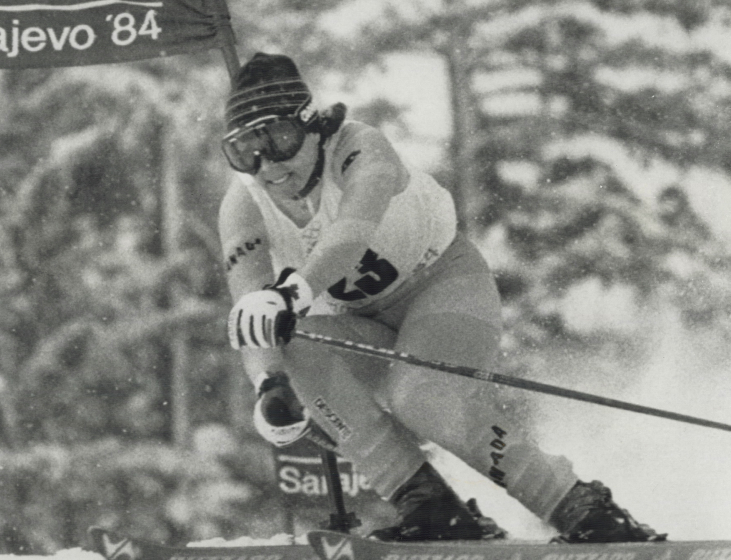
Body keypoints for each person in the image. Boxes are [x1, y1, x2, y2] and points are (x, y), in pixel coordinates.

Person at [217, 52, 664, 543]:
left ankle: (580, 507)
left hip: (441, 287)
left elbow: (350, 235)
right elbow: (253, 314)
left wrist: (295, 290)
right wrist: (269, 384)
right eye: (245, 150)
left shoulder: (360, 149)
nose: (268, 166)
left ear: (312, 126)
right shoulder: (244, 203)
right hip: (363, 323)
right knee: (294, 343)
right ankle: (428, 503)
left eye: (279, 139)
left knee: (421, 397)